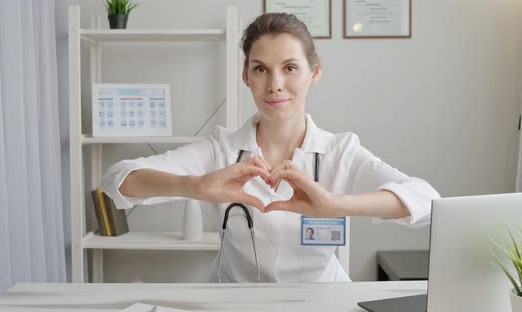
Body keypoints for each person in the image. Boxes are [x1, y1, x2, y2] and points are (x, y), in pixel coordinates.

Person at [101, 13, 440, 283]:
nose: (275, 84)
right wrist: (195, 186)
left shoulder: (340, 152)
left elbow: (426, 200)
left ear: (314, 73)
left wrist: (335, 203)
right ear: (247, 77)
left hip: (322, 303)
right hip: (238, 302)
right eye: (261, 69)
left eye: (290, 68)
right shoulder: (220, 149)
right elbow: (118, 180)